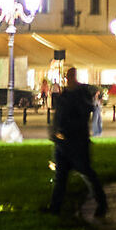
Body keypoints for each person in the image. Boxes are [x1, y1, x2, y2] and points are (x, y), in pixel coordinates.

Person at [44, 76, 107, 219]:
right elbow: (59, 116)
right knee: (62, 177)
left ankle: (101, 202)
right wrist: (55, 132)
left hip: (76, 143)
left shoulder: (79, 97)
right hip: (65, 143)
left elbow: (77, 117)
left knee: (85, 173)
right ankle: (55, 208)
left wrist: (60, 131)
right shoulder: (69, 96)